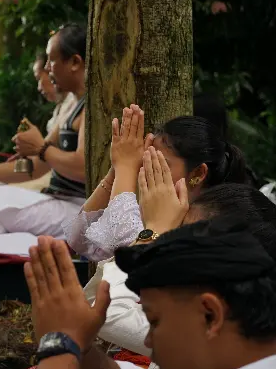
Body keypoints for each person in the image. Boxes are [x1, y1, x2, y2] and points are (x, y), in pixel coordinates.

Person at [0, 176, 276, 369]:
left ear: (211, 314)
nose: (147, 338)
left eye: (155, 322)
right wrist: (79, 346)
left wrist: (58, 343)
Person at [65, 106, 252, 262]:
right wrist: (115, 172)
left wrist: (125, 167)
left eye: (160, 162)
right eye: (146, 160)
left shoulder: (205, 222)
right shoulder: (150, 208)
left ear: (198, 173)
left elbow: (125, 250)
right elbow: (78, 239)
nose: (146, 170)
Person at [0, 23, 88, 239]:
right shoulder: (73, 108)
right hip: (59, 202)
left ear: (75, 62)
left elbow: (83, 168)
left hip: (78, 209)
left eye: (51, 60)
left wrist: (41, 148)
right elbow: (34, 167)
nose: (48, 68)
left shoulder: (92, 108)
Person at [0, 50, 78, 187]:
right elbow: (38, 161)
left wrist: (38, 148)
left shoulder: (75, 106)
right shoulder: (63, 108)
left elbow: (38, 164)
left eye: (39, 78)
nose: (39, 87)